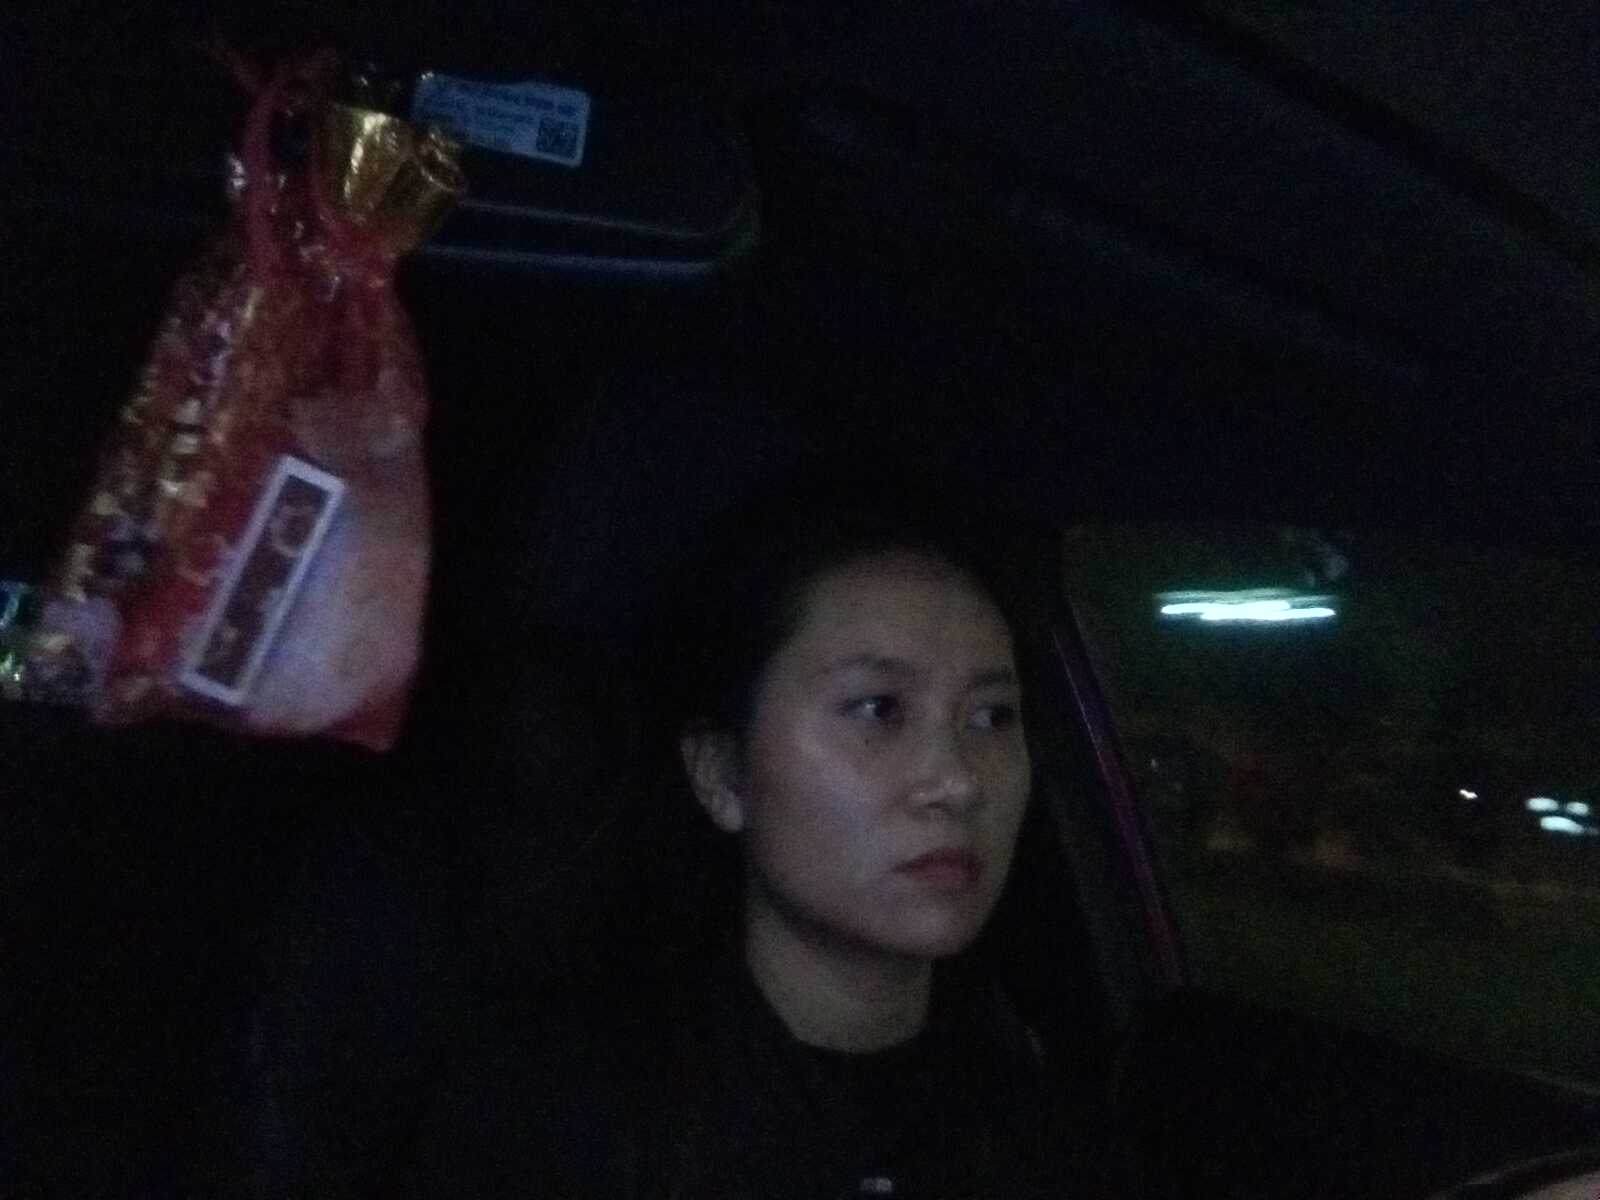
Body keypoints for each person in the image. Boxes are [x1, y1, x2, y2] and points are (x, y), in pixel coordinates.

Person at [407, 473, 1115, 1198]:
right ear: (720, 773)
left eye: (992, 716)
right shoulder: (558, 1124)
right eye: (878, 709)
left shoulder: (1050, 1114)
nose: (958, 781)